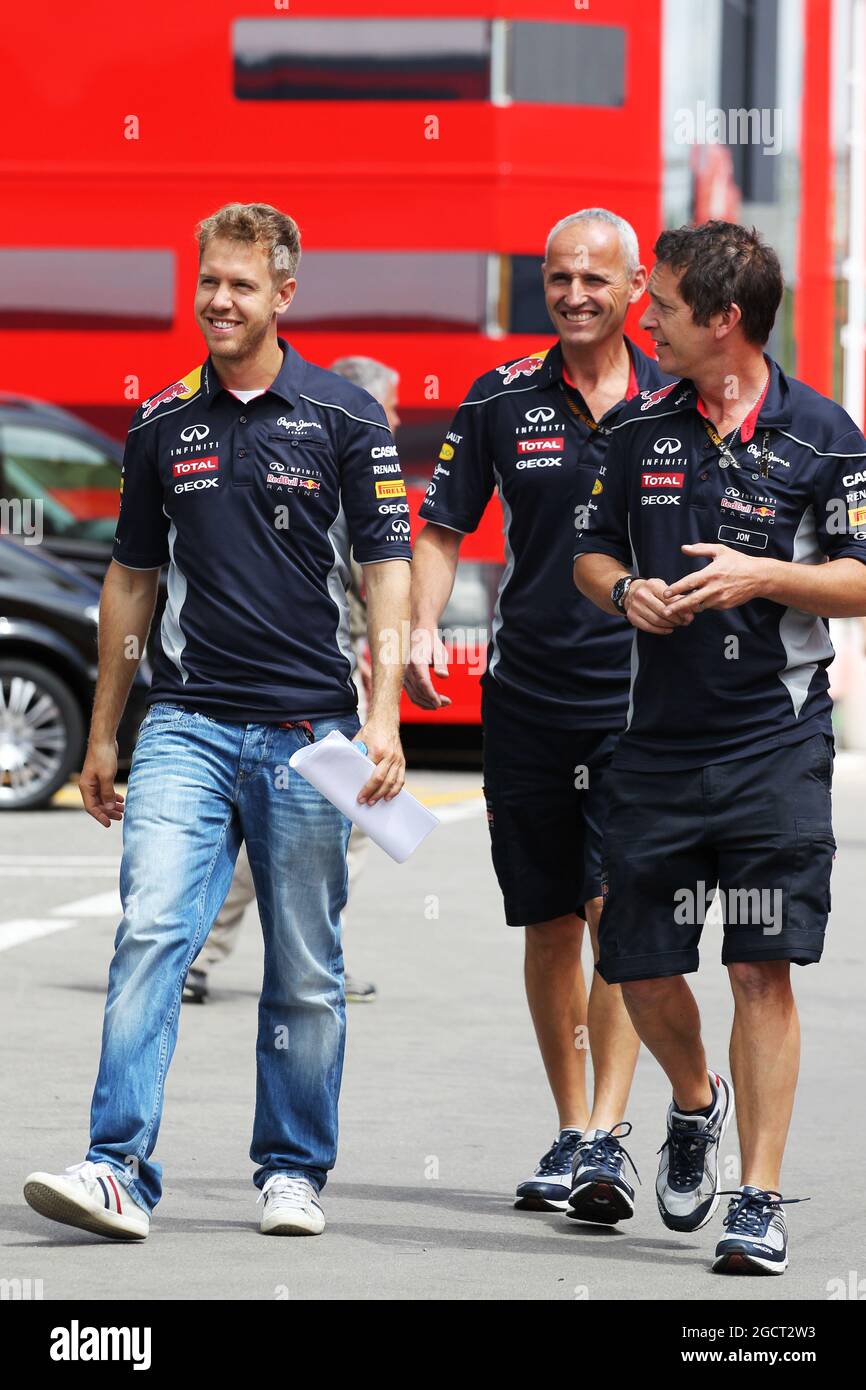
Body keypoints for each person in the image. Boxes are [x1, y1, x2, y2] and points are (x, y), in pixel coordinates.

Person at [23, 201, 411, 1241]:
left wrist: (383, 716)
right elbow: (130, 578)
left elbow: (386, 569)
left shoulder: (344, 417)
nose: (220, 301)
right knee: (152, 929)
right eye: (208, 282)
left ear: (285, 294)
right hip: (185, 725)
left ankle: (290, 1171)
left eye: (242, 285)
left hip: (310, 733)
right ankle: (115, 1166)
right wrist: (104, 733)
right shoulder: (160, 421)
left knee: (305, 966)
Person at [573, 219, 866, 1273]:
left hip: (772, 750)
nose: (639, 317)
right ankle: (693, 1101)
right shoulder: (638, 428)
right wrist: (623, 589)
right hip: (653, 749)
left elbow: (861, 578)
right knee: (639, 965)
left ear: (722, 319)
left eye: (660, 304)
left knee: (758, 966)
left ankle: (758, 1196)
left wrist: (760, 575)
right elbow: (588, 553)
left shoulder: (823, 433)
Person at [406, 209, 670, 1220]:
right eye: (556, 278)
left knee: (614, 910)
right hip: (525, 696)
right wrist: (422, 630)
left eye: (592, 280)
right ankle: (571, 1125)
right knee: (549, 920)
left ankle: (606, 1132)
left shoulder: (676, 401)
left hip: (643, 704)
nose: (571, 295)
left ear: (634, 288)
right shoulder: (499, 399)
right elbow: (439, 527)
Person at [183, 356, 402, 1006]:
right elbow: (363, 569)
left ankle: (270, 954)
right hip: (317, 674)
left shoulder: (317, 448)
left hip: (321, 663)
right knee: (341, 813)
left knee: (335, 815)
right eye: (387, 406)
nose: (395, 419)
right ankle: (245, 954)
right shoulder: (345, 453)